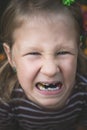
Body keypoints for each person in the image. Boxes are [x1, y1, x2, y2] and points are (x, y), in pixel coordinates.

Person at [0, 0, 87, 130]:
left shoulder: (83, 91)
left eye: (63, 52)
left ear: (77, 50)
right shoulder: (6, 101)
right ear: (11, 56)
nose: (50, 70)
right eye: (34, 53)